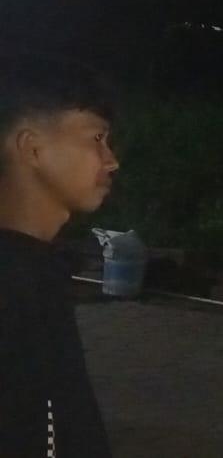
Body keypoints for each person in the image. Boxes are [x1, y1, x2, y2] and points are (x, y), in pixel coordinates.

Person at [0, 54, 119, 458]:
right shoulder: (14, 281)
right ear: (31, 148)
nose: (111, 160)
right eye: (96, 138)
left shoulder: (37, 268)